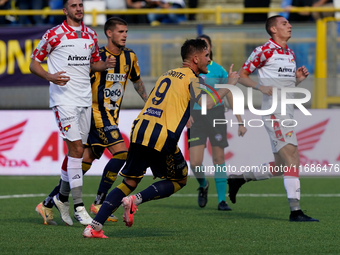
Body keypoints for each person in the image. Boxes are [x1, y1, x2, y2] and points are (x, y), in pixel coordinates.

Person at [82, 38, 240, 238]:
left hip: (140, 130)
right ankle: (135, 201)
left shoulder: (168, 74)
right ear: (195, 58)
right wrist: (230, 84)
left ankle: (93, 227)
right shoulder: (192, 78)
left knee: (129, 181)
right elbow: (206, 103)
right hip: (161, 135)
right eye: (207, 56)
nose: (209, 60)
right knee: (180, 179)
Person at [34, 17, 148, 226]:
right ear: (109, 34)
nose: (124, 35)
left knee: (81, 165)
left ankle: (49, 201)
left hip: (111, 115)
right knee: (122, 152)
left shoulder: (130, 57)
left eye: (126, 31)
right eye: (120, 31)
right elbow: (79, 77)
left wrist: (148, 103)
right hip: (95, 113)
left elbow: (136, 80)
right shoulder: (97, 57)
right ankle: (99, 202)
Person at [30, 0, 116, 226]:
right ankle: (79, 206)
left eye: (81, 4)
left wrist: (105, 64)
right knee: (77, 149)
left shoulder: (90, 35)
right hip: (63, 100)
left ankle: (60, 199)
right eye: (74, 5)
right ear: (65, 10)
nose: (79, 8)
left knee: (75, 154)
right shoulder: (54, 34)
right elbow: (34, 63)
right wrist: (50, 77)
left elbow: (93, 64)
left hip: (85, 101)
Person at [228, 15, 319, 222]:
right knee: (292, 159)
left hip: (287, 110)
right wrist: (260, 87)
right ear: (273, 30)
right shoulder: (264, 50)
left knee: (279, 166)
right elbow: (242, 75)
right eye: (284, 24)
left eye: (289, 23)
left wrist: (297, 80)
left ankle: (239, 179)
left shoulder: (289, 52)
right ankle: (295, 211)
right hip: (275, 112)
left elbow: (283, 86)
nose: (290, 26)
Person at [188, 34, 247, 211]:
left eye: (205, 46)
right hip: (196, 117)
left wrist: (240, 121)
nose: (203, 49)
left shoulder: (219, 70)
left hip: (216, 115)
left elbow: (229, 94)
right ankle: (203, 184)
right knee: (195, 162)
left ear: (210, 48)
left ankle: (222, 200)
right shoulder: (189, 71)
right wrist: (185, 115)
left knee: (218, 158)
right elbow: (183, 95)